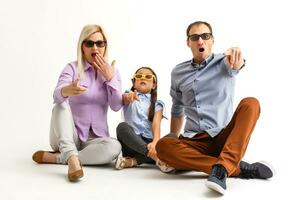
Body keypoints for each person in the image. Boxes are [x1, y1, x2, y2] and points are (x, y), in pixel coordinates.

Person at [155, 21, 274, 194]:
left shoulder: (224, 62)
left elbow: (236, 64)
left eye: (205, 36)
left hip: (223, 137)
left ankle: (223, 166)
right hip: (193, 141)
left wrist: (236, 58)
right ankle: (232, 167)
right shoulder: (178, 72)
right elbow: (177, 107)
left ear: (212, 40)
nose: (200, 41)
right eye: (195, 37)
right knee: (163, 146)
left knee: (251, 103)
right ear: (188, 42)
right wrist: (173, 137)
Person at [32, 24, 122, 182]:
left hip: (94, 142)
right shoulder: (72, 68)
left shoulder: (112, 72)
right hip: (67, 136)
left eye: (100, 43)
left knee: (115, 147)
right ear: (82, 46)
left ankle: (62, 158)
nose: (95, 47)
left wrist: (110, 79)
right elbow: (56, 95)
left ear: (105, 46)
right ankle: (72, 159)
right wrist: (67, 90)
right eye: (89, 43)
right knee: (61, 105)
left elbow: (116, 106)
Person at [115, 67, 174, 173]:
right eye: (139, 76)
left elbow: (156, 124)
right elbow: (124, 98)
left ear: (154, 85)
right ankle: (156, 157)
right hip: (132, 144)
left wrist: (155, 142)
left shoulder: (157, 103)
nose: (143, 78)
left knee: (173, 136)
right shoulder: (128, 95)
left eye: (148, 77)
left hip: (151, 145)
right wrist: (129, 97)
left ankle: (134, 161)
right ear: (134, 82)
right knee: (122, 127)